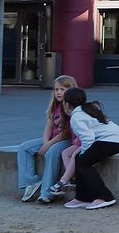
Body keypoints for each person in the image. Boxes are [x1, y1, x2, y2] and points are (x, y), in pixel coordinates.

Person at [17, 75, 79, 204]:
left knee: (52, 151)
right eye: (56, 89)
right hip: (53, 139)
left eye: (62, 89)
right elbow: (48, 127)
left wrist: (50, 144)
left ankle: (47, 193)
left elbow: (66, 133)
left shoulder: (71, 107)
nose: (58, 92)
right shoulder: (54, 106)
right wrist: (46, 142)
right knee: (24, 147)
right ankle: (31, 182)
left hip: (68, 140)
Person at [62, 90, 119, 211]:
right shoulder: (88, 109)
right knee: (78, 160)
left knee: (83, 163)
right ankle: (82, 197)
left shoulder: (76, 117)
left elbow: (88, 138)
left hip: (110, 141)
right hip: (115, 139)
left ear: (66, 104)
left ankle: (105, 197)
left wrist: (85, 153)